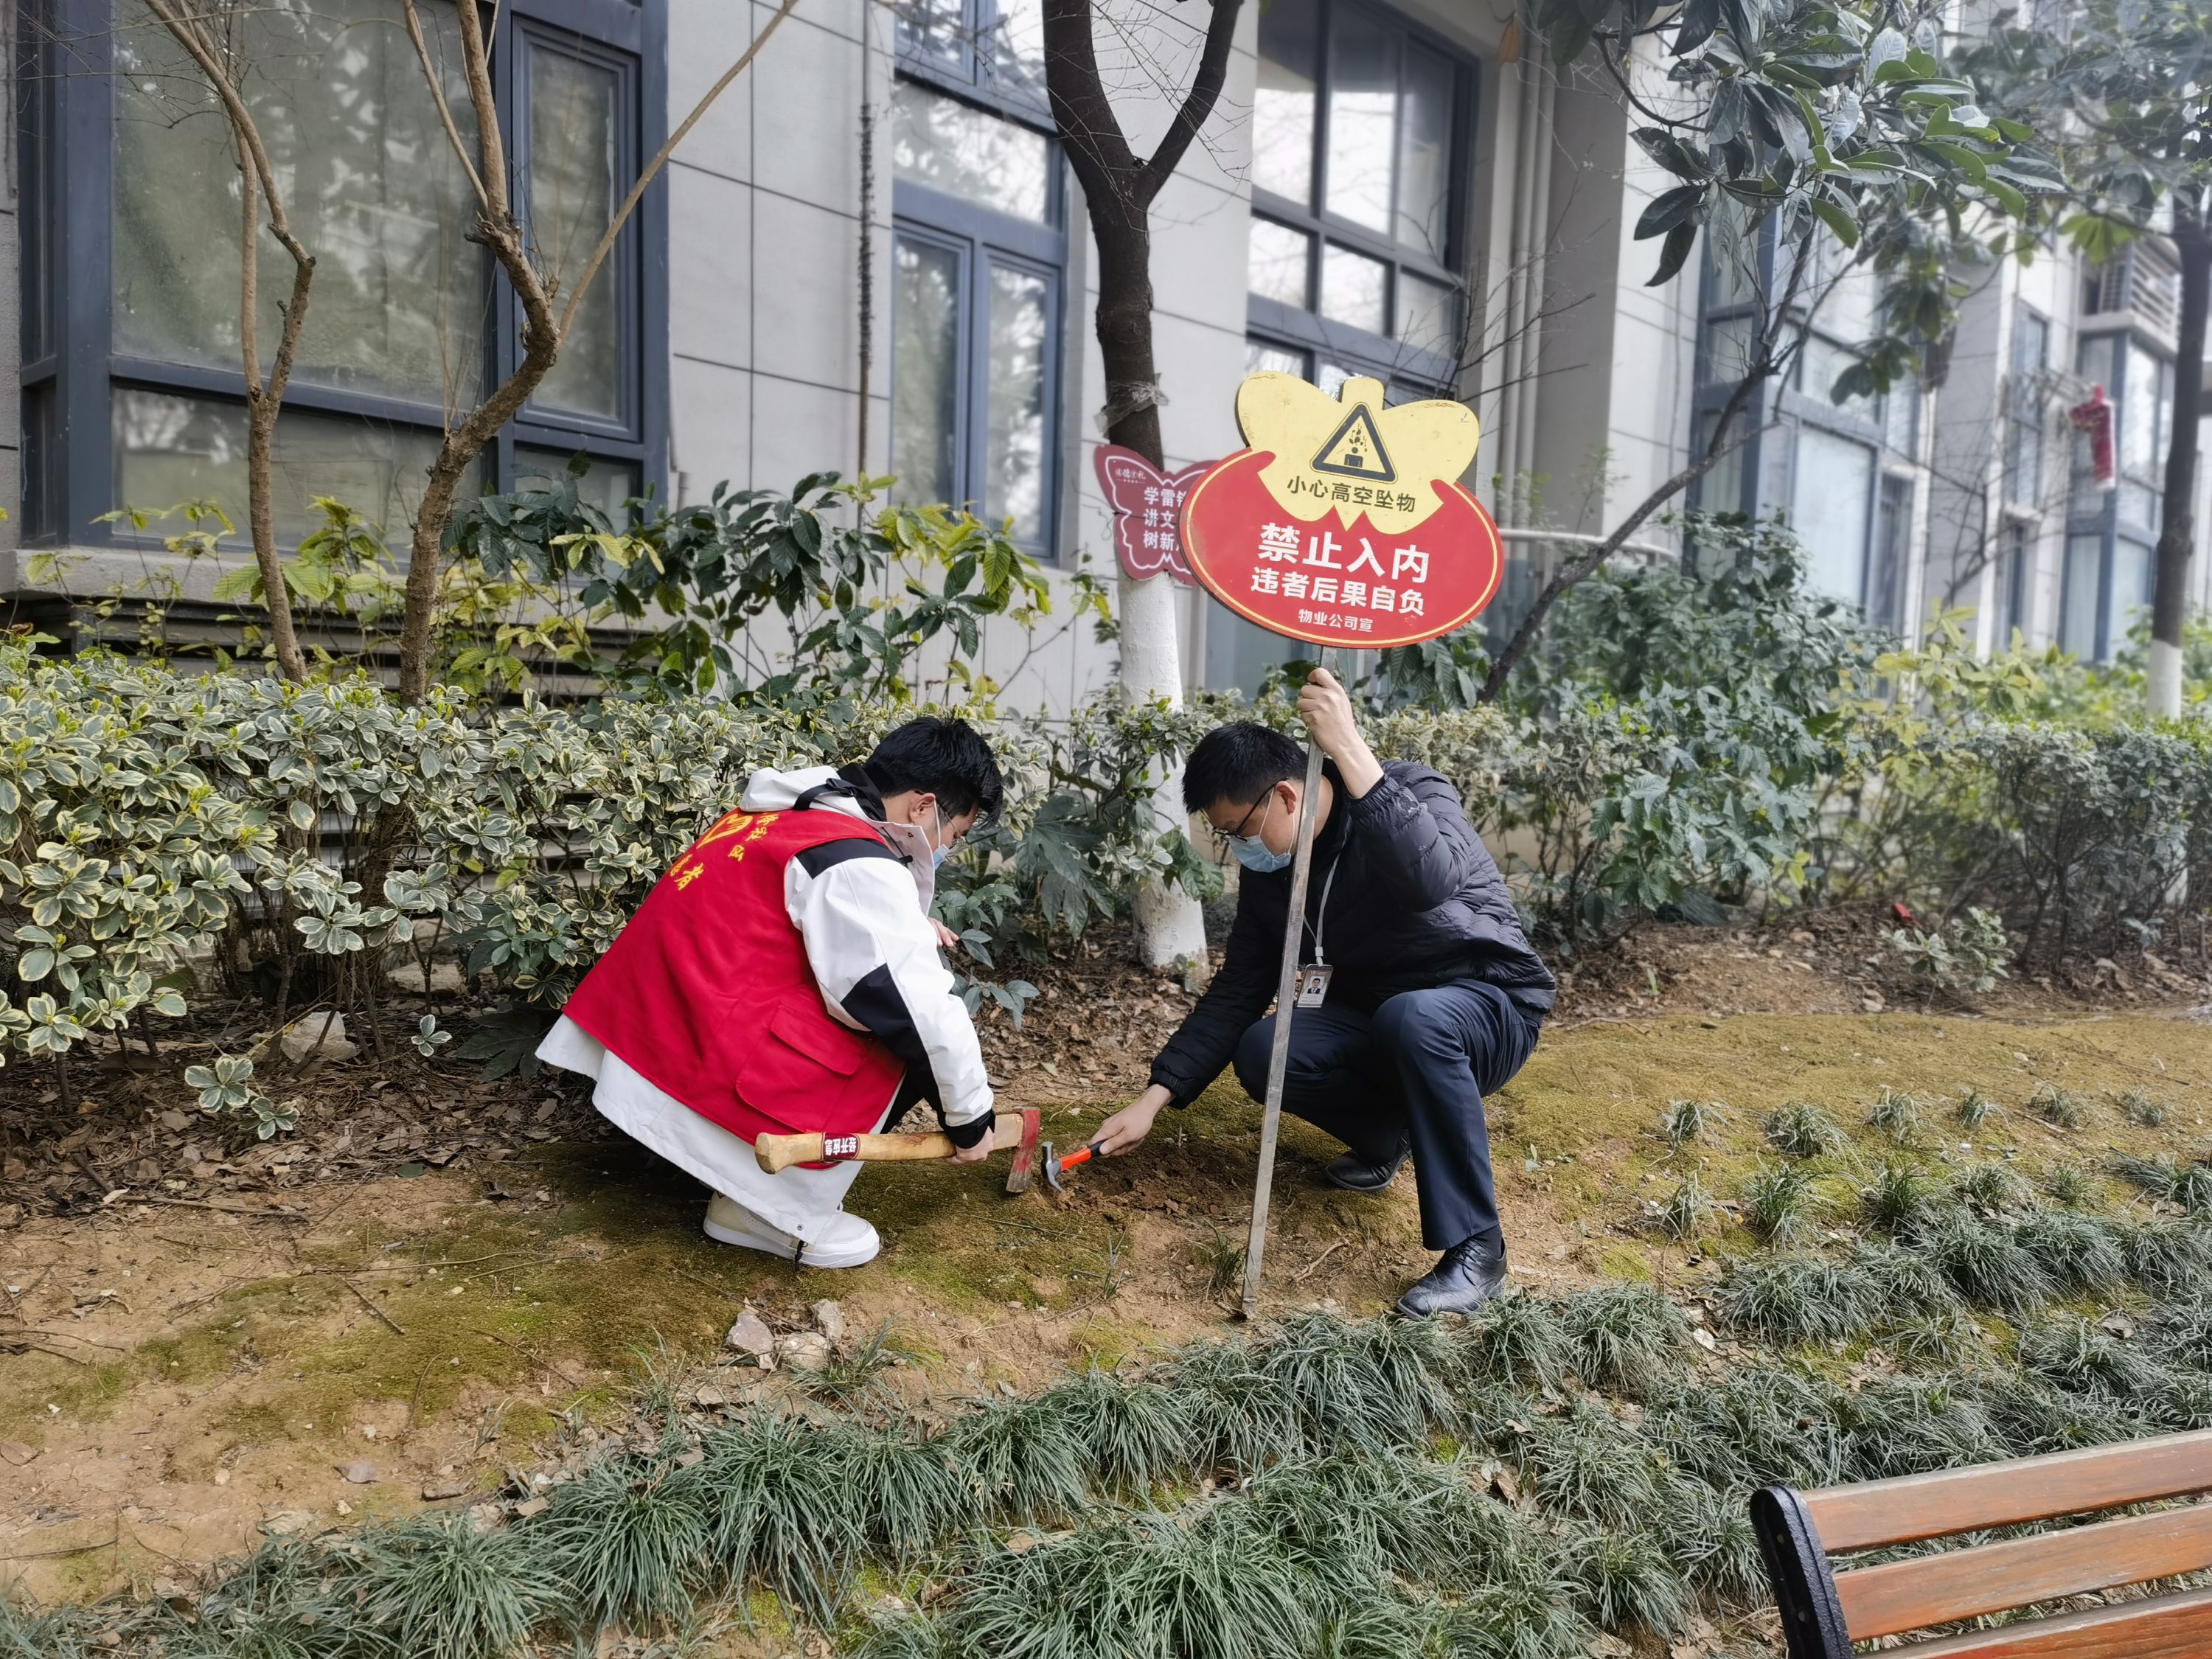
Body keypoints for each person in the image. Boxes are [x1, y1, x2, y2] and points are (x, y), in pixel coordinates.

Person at [1093, 669, 1554, 1316]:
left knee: (1417, 1018)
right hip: (1383, 1019)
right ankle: (1386, 1136)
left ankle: (1480, 1249)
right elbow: (1239, 988)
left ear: (1286, 796)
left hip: (1486, 1006)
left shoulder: (1410, 791)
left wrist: (1349, 746)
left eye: (1238, 832)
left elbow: (1432, 881)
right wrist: (1154, 1098)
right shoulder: (1274, 873)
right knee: (1266, 1050)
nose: (1236, 850)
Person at [537, 717, 1002, 1267]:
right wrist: (971, 1118)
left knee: (895, 1003)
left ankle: (713, 1167)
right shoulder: (855, 861)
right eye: (955, 835)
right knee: (904, 1035)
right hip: (698, 1050)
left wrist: (907, 927)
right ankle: (765, 1210)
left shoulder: (789, 812)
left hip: (650, 1032)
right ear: (923, 808)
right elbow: (919, 1011)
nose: (947, 849)